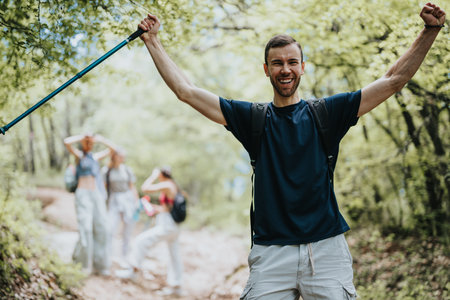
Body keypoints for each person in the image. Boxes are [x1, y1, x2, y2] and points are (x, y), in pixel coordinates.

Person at [136, 3, 445, 300]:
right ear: (266, 70)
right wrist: (153, 41)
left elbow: (393, 80)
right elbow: (186, 91)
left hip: (326, 250)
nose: (285, 69)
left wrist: (430, 30)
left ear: (302, 67)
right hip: (271, 253)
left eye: (292, 62)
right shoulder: (252, 118)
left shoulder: (328, 113)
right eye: (278, 63)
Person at [116, 167, 183, 296]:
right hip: (172, 225)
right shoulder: (172, 185)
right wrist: (154, 208)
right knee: (174, 255)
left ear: (162, 175)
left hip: (168, 226)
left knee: (141, 241)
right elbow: (167, 208)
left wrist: (153, 175)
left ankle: (133, 270)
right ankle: (176, 286)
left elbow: (145, 188)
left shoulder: (167, 184)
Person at [64, 133, 116, 276]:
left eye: (90, 143)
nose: (89, 145)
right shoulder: (79, 156)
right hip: (83, 194)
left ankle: (100, 264)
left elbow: (113, 150)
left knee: (102, 228)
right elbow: (67, 142)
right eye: (86, 143)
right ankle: (81, 264)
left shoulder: (95, 157)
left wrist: (101, 139)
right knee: (85, 228)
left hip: (96, 194)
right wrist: (81, 137)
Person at [103, 148, 139, 266]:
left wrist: (136, 201)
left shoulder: (127, 170)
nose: (122, 158)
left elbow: (131, 186)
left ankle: (125, 256)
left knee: (127, 230)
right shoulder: (107, 171)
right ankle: (109, 255)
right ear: (114, 156)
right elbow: (103, 187)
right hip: (114, 200)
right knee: (111, 228)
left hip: (127, 200)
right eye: (120, 156)